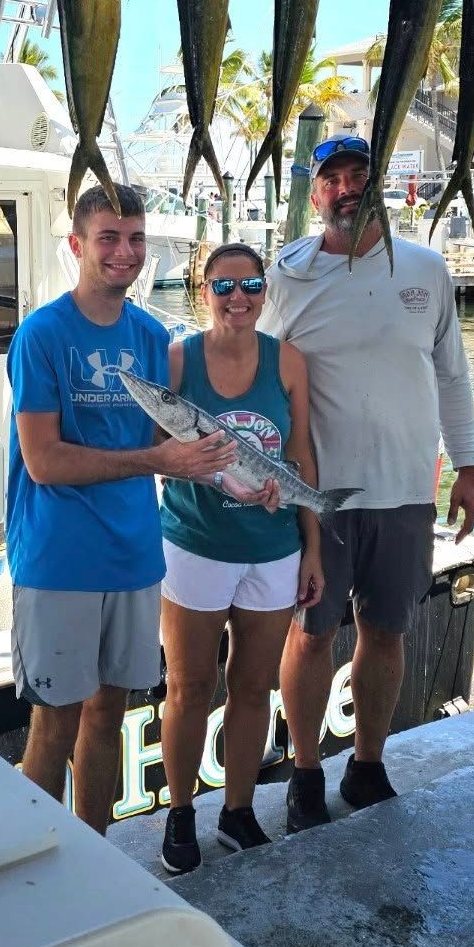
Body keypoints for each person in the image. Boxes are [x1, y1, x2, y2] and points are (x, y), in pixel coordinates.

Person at [259, 134, 474, 832]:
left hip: (407, 490)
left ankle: (368, 764)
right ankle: (302, 770)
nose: (348, 187)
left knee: (387, 632)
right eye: (335, 178)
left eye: (361, 174)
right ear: (316, 191)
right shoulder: (287, 274)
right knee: (312, 635)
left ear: (381, 185)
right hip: (320, 500)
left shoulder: (425, 268)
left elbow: (452, 372)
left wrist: (468, 466)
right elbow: (263, 375)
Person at [7, 185, 235, 834]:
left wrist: (241, 476)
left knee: (109, 715)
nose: (124, 252)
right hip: (59, 559)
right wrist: (153, 463)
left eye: (134, 238)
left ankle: (95, 855)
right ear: (77, 245)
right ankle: (41, 860)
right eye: (108, 237)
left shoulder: (151, 335)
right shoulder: (42, 335)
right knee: (55, 722)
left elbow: (166, 442)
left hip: (134, 557)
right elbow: (45, 460)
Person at [156, 242, 323, 875]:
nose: (238, 298)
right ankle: (180, 813)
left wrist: (312, 547)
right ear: (204, 291)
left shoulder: (289, 363)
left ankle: (239, 809)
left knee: (253, 686)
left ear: (264, 292)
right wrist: (188, 464)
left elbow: (301, 455)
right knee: (189, 685)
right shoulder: (178, 361)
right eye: (224, 287)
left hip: (273, 550)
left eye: (251, 285)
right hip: (195, 546)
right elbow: (155, 449)